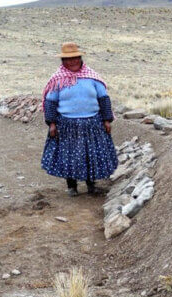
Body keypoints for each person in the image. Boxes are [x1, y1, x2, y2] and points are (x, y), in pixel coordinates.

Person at [40, 42, 118, 196]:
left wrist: (107, 120)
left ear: (80, 58)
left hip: (92, 123)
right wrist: (52, 123)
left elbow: (103, 99)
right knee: (68, 156)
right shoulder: (58, 80)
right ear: (63, 61)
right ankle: (72, 187)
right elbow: (50, 103)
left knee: (91, 155)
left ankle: (91, 185)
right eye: (68, 59)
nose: (72, 61)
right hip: (67, 125)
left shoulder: (92, 78)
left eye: (75, 58)